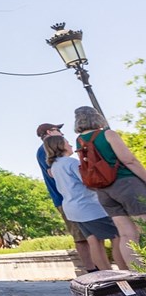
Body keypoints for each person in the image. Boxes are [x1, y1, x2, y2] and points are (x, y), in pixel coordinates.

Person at [74, 106, 146, 268]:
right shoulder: (107, 134)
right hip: (126, 184)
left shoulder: (80, 141)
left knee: (127, 235)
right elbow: (129, 160)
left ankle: (139, 274)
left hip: (104, 191)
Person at [43, 135, 127, 272]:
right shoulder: (71, 163)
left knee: (93, 240)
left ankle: (107, 275)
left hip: (73, 208)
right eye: (67, 143)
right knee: (117, 236)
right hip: (89, 207)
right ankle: (125, 273)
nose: (70, 145)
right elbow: (88, 181)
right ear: (60, 146)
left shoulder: (55, 166)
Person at [35, 122, 93, 271]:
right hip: (66, 199)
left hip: (72, 199)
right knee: (80, 237)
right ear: (49, 132)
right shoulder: (45, 150)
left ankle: (96, 267)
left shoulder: (48, 151)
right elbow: (53, 173)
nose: (62, 133)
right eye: (58, 130)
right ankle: (91, 269)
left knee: (90, 236)